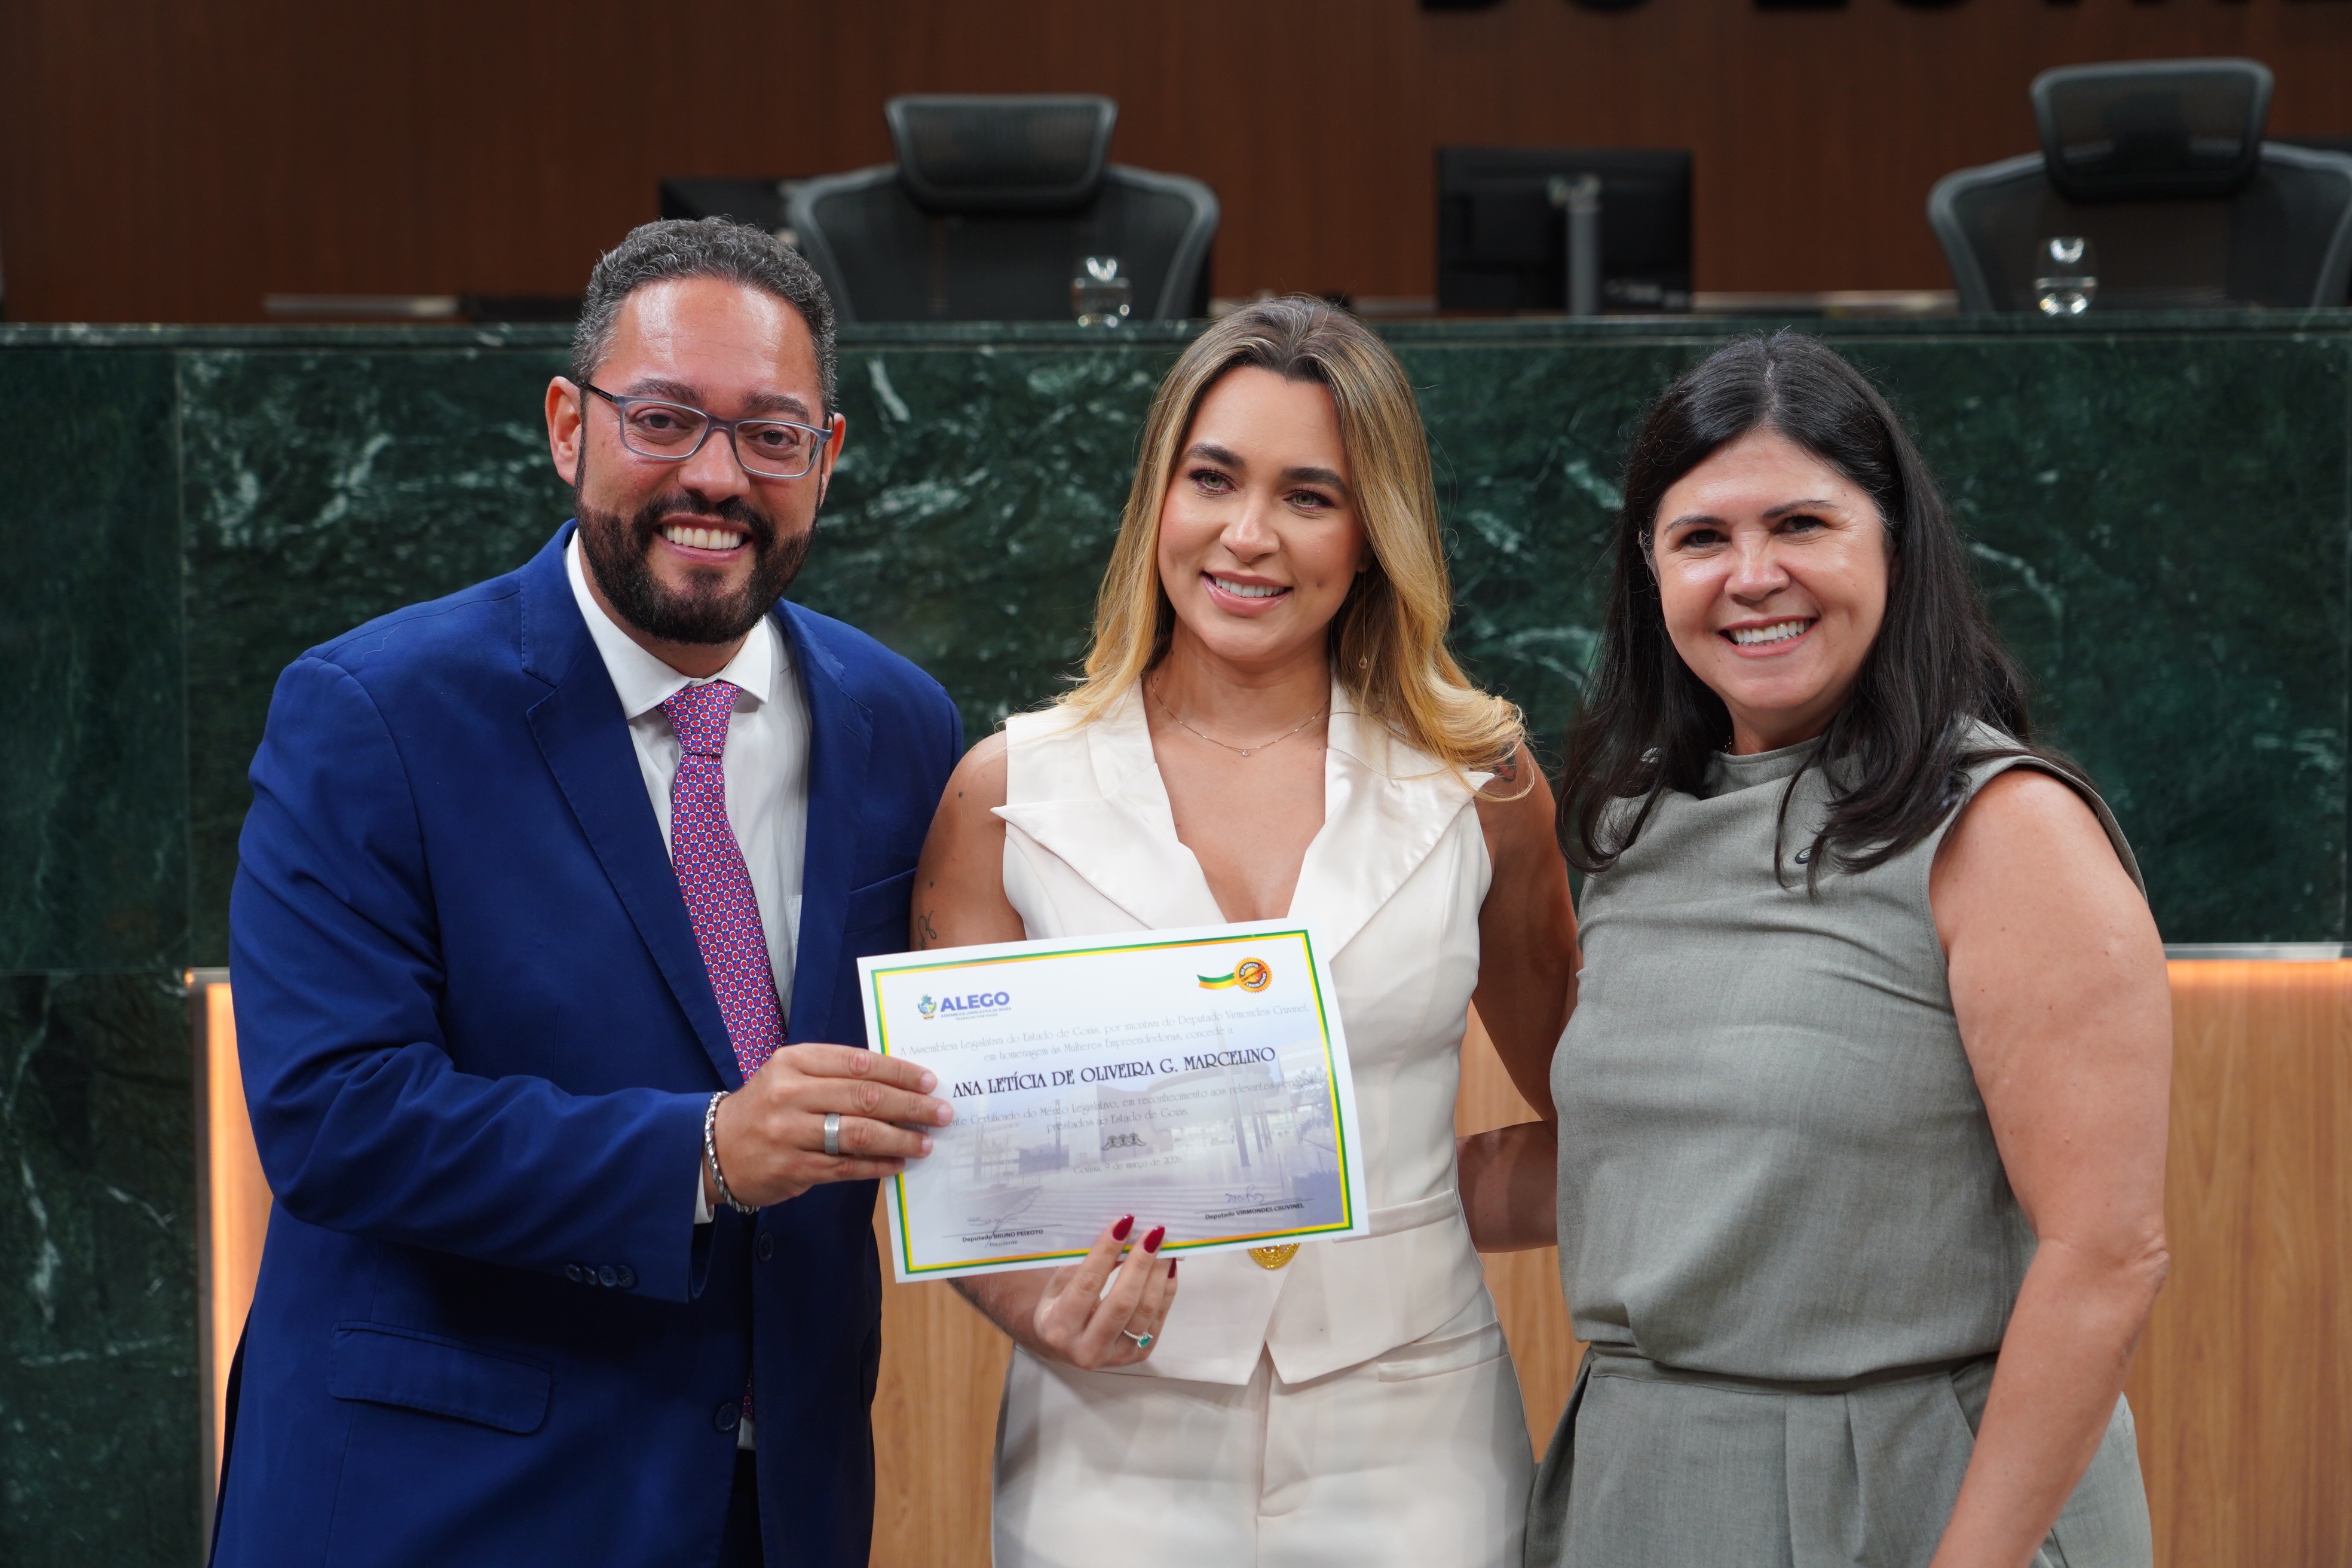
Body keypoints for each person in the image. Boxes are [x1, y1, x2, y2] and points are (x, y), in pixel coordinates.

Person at [214, 219, 962, 1568]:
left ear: (828, 457)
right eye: (664, 420)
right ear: (570, 425)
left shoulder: (903, 726)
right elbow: (337, 1118)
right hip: (447, 1505)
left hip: (778, 1508)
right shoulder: (372, 713)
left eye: (771, 435)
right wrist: (705, 1154)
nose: (715, 477)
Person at [912, 296, 1578, 1567]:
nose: (1249, 534)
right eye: (1212, 478)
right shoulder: (1004, 792)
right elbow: (962, 1172)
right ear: (1158, 498)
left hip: (1421, 1437)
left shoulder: (1481, 786)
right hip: (1108, 1444)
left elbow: (1599, 1120)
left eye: (1310, 496)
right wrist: (1039, 1309)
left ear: (1374, 535)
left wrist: (1412, 1201)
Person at [1527, 330, 2170, 1566]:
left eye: (1801, 525)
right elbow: (1658, 1164)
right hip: (1640, 1480)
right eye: (1702, 538)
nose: (1752, 576)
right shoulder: (1633, 820)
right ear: (1651, 571)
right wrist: (1298, 1171)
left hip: (1915, 1490)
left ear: (1895, 544)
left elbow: (2106, 1255)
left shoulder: (2005, 827)